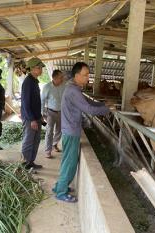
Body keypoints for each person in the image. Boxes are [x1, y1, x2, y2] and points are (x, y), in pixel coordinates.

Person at [53, 62, 110, 203]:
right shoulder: (73, 91)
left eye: (88, 75)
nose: (87, 78)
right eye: (85, 75)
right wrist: (107, 110)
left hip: (69, 129)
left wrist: (103, 105)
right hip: (71, 130)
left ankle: (59, 186)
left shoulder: (73, 89)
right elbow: (89, 109)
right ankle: (61, 192)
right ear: (77, 75)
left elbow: (88, 103)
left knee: (67, 160)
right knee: (70, 163)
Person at [21, 57, 45, 170]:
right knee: (29, 140)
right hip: (30, 118)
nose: (41, 70)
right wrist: (32, 119)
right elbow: (26, 103)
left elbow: (35, 102)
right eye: (39, 68)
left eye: (41, 68)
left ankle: (31, 162)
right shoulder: (28, 82)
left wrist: (39, 117)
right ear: (32, 69)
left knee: (36, 140)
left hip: (36, 117)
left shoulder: (34, 81)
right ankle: (25, 164)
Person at [41, 70, 65, 158]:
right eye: (60, 77)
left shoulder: (64, 86)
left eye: (62, 77)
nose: (62, 79)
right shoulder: (47, 87)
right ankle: (48, 151)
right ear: (54, 78)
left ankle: (54, 144)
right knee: (49, 131)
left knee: (60, 130)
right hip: (50, 112)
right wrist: (42, 113)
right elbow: (42, 100)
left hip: (61, 112)